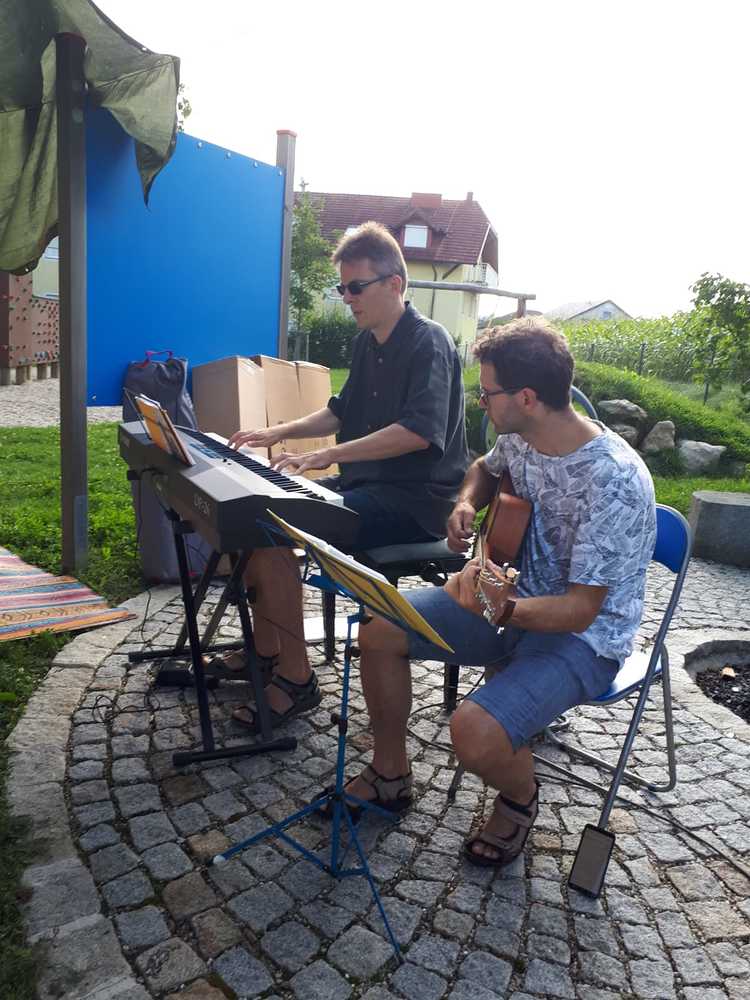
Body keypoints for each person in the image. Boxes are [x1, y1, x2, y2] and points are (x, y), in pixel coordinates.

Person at [345, 318, 657, 868]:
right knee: (379, 624)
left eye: (487, 393)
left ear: (527, 398)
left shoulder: (614, 480)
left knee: (473, 733)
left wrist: (496, 605)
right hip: (507, 599)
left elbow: (581, 610)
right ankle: (390, 773)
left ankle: (520, 797)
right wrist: (467, 502)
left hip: (584, 638)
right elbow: (484, 471)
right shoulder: (519, 436)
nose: (480, 402)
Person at [213, 222, 470, 731]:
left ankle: (296, 679)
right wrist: (277, 431)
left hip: (415, 505)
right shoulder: (367, 343)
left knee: (274, 526)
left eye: (356, 287)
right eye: (343, 287)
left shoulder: (430, 342)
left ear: (394, 284)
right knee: (257, 513)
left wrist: (325, 457)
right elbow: (338, 411)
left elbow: (417, 433)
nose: (347, 297)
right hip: (365, 489)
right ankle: (266, 652)